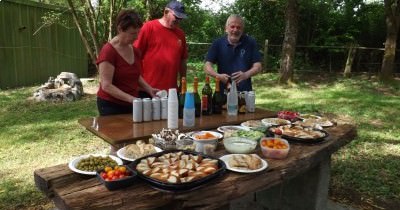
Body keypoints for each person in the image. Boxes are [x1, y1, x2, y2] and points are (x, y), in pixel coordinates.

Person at [97, 9, 158, 116]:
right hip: (111, 105)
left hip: (132, 103)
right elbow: (106, 86)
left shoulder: (134, 51)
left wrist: (149, 89)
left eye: (138, 32)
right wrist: (132, 99)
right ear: (120, 29)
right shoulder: (108, 51)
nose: (137, 37)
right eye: (133, 33)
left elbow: (135, 74)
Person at [134, 0, 188, 97]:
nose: (179, 20)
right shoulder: (148, 27)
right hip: (148, 89)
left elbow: (183, 60)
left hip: (171, 91)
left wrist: (183, 82)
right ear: (166, 12)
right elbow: (134, 55)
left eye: (181, 18)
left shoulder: (181, 34)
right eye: (176, 17)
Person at [204, 14, 262, 92]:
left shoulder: (250, 42)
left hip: (244, 93)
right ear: (226, 28)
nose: (235, 30)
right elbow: (207, 66)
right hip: (222, 92)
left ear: (242, 30)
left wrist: (245, 75)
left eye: (238, 27)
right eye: (232, 27)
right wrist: (218, 76)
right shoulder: (218, 43)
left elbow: (258, 66)